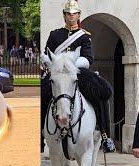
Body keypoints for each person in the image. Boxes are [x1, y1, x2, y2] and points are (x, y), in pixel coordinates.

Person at [41, 0, 115, 153]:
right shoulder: (55, 34)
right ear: (64, 15)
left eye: (74, 14)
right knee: (43, 94)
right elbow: (48, 53)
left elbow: (88, 57)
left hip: (78, 73)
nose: (71, 16)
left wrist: (74, 65)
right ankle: (40, 136)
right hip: (59, 73)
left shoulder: (84, 36)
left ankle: (104, 134)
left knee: (100, 93)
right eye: (68, 14)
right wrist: (50, 63)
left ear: (79, 15)